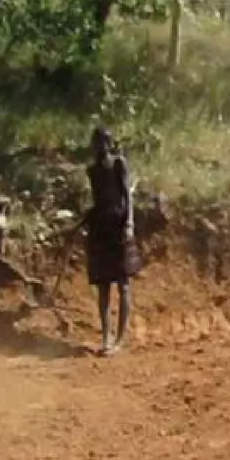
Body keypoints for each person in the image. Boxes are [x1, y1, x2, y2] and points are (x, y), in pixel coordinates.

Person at [84, 126, 141, 356]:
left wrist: (129, 225)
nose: (99, 147)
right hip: (101, 229)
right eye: (96, 143)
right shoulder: (93, 171)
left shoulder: (119, 164)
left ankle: (120, 338)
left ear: (110, 144)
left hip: (118, 228)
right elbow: (97, 201)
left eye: (103, 143)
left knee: (123, 284)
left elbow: (127, 195)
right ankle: (106, 337)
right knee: (103, 287)